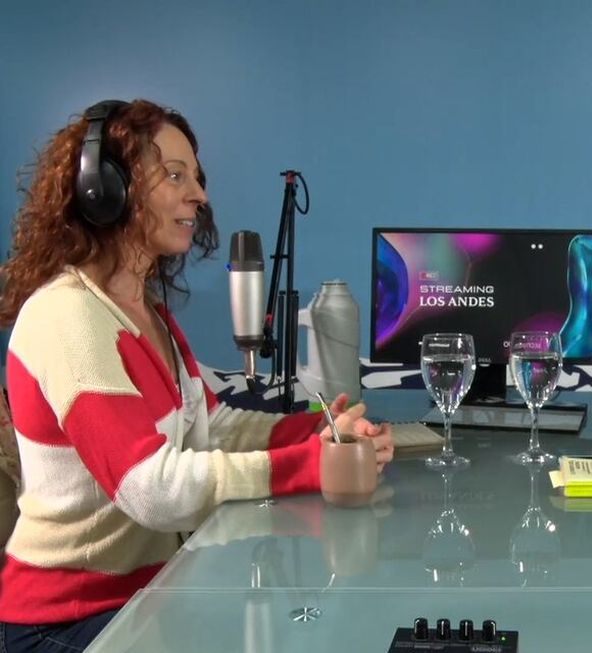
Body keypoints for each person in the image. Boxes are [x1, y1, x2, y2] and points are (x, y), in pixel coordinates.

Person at [0, 99, 394, 652]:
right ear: (105, 189)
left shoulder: (145, 311)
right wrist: (307, 466)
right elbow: (149, 488)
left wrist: (321, 431)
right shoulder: (68, 316)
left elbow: (214, 425)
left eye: (197, 177)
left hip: (149, 596)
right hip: (67, 623)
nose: (200, 195)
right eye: (174, 175)